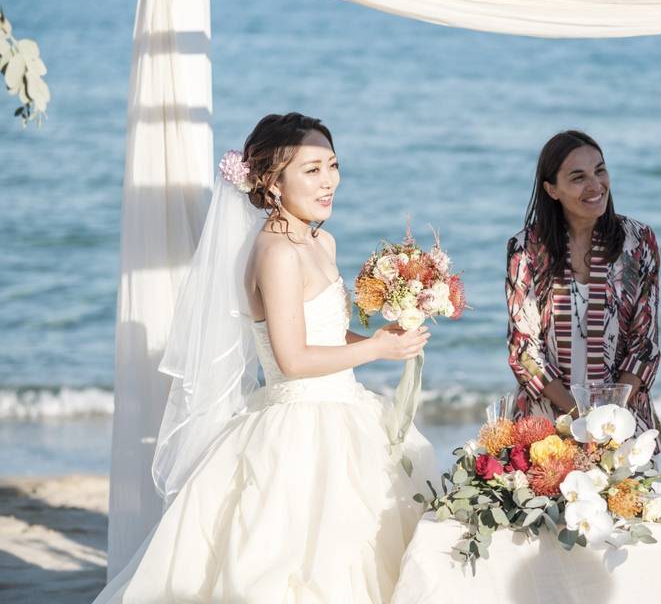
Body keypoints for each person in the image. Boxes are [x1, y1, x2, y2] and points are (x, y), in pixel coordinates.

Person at [93, 113, 436, 603]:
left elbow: (324, 331)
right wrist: (379, 350)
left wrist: (378, 335)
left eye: (333, 165)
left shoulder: (321, 240)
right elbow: (292, 358)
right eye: (312, 170)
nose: (329, 181)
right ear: (272, 184)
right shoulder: (276, 252)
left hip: (346, 408)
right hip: (298, 423)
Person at [505, 130, 661, 452]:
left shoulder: (638, 241)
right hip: (545, 427)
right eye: (578, 177)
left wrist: (609, 418)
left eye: (600, 170)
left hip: (623, 423)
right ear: (552, 189)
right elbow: (524, 350)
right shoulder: (525, 248)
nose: (596, 185)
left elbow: (644, 342)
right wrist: (580, 417)